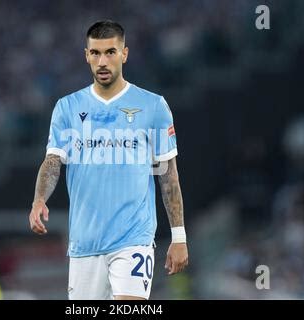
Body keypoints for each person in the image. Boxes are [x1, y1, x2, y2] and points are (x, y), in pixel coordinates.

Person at [29, 20, 188, 300]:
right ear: (86, 55)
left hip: (133, 240)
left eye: (110, 52)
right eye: (96, 53)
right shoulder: (67, 108)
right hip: (84, 243)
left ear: (124, 54)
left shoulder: (153, 106)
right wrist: (39, 199)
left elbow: (168, 174)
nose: (102, 61)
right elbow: (53, 161)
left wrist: (179, 237)